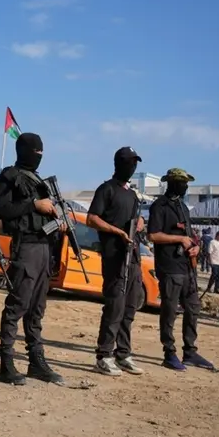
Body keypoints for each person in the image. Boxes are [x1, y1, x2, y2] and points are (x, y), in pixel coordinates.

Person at [0, 132, 65, 385]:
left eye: (41, 152)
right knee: (18, 304)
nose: (38, 156)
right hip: (25, 247)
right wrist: (34, 205)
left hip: (45, 247)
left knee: (36, 309)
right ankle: (6, 362)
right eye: (35, 151)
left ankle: (36, 362)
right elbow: (4, 210)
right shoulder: (9, 176)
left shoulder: (38, 180)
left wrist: (57, 219)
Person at [147, 168, 214, 371]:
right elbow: (153, 235)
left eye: (186, 183)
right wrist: (179, 239)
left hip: (187, 267)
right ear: (172, 183)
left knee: (193, 308)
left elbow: (189, 235)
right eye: (182, 183)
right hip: (169, 266)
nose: (185, 187)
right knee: (169, 310)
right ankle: (169, 352)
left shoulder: (183, 207)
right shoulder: (160, 206)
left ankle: (190, 352)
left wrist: (195, 246)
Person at [86, 146, 145, 376]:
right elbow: (92, 219)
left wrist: (139, 224)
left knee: (129, 307)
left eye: (135, 163)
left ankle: (123, 354)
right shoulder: (106, 189)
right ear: (119, 163)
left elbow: (136, 219)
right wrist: (117, 232)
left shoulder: (132, 195)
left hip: (133, 258)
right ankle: (104, 355)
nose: (133, 167)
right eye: (129, 163)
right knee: (115, 307)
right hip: (114, 257)